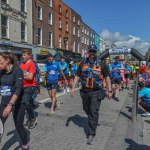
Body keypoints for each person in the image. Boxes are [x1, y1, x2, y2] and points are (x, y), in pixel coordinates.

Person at [70, 44, 112, 145]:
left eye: (94, 51)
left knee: (93, 111)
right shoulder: (82, 63)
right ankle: (93, 120)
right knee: (86, 109)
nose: (92, 53)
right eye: (90, 51)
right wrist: (72, 88)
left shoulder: (101, 64)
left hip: (96, 91)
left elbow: (107, 77)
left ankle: (91, 133)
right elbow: (77, 75)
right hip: (85, 91)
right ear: (88, 52)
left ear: (96, 53)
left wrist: (109, 91)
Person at [0, 52, 29, 150]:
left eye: (0, 62)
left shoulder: (17, 71)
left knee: (19, 127)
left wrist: (10, 105)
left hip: (18, 104)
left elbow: (18, 89)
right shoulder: (1, 72)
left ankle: (25, 144)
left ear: (7, 60)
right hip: (4, 102)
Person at [20, 50, 37, 129]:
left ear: (29, 56)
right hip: (22, 86)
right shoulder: (22, 65)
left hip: (30, 86)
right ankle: (31, 118)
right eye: (22, 55)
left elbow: (30, 77)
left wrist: (21, 76)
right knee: (27, 103)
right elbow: (19, 75)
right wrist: (24, 75)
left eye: (24, 55)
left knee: (26, 103)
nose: (22, 56)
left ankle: (32, 118)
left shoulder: (31, 64)